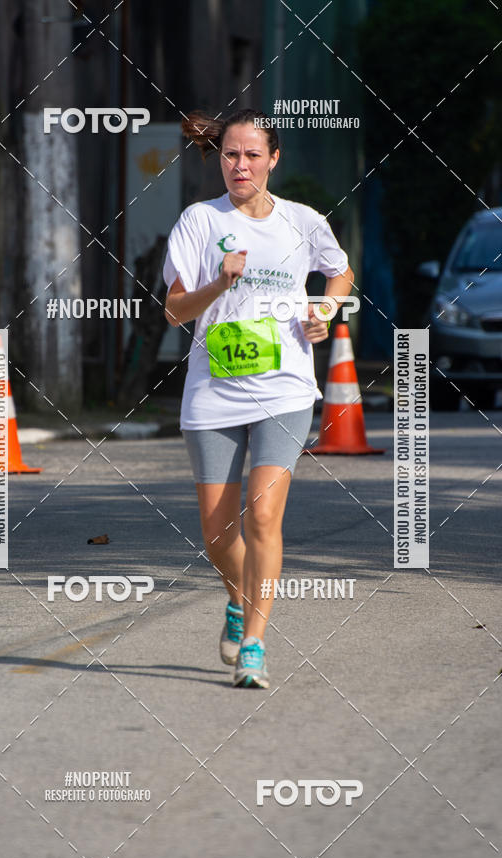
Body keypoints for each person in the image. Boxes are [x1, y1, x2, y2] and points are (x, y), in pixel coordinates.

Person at [163, 108, 354, 688]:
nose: (239, 165)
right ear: (218, 158)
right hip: (213, 389)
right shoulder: (199, 220)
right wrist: (220, 282)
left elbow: (338, 271)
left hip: (286, 387)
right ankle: (236, 598)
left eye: (251, 155)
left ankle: (255, 642)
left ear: (274, 159)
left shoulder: (302, 221)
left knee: (264, 517)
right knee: (219, 536)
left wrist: (324, 309)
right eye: (230, 154)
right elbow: (175, 311)